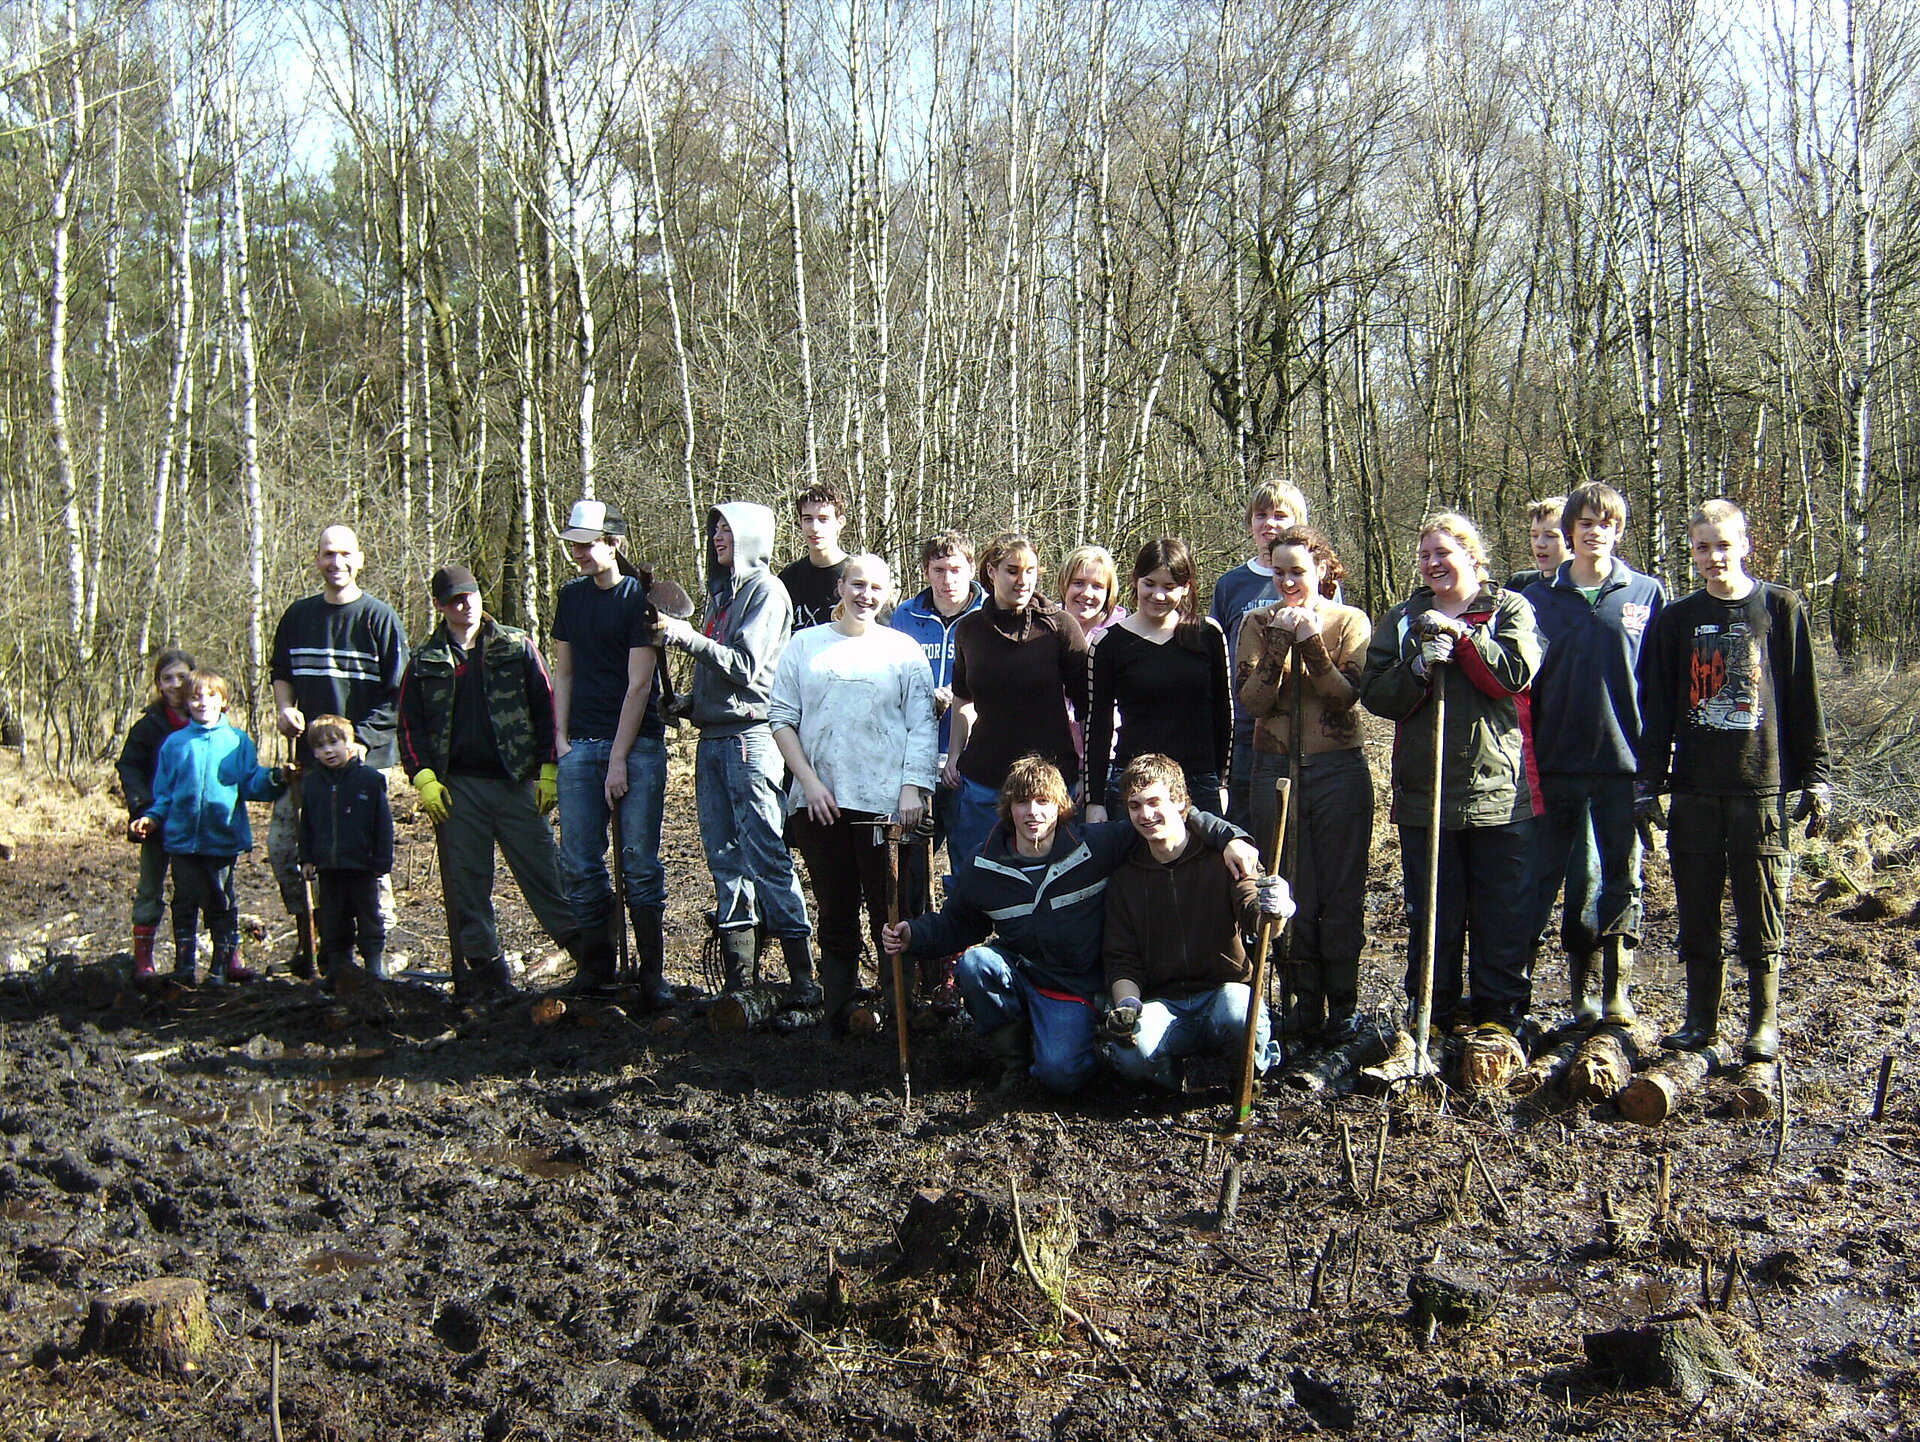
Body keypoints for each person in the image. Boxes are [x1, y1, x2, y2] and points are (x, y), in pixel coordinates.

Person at [881, 754, 1260, 1096]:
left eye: (1043, 801)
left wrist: (1230, 836)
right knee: (978, 964)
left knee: (1063, 1077)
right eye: (1022, 802)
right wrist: (914, 934)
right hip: (1023, 969)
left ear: (1061, 806)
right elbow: (958, 923)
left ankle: (1076, 1045)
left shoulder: (1096, 845)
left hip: (1073, 985)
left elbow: (1164, 820)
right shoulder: (984, 866)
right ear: (1007, 808)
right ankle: (1013, 1065)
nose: (1033, 813)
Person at [1636, 498, 1828, 1063]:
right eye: (1702, 547)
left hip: (1759, 786)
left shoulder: (1780, 608)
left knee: (1761, 904)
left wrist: (1817, 778)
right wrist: (1648, 784)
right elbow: (1657, 708)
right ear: (1691, 553)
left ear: (1745, 544)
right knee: (1696, 908)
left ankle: (1763, 1023)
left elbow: (1803, 698)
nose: (1714, 556)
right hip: (1694, 788)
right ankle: (1701, 1020)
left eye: (1724, 545)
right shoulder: (1675, 619)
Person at [1359, 513, 1544, 1047]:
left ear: (1472, 557)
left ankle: (1499, 1019)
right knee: (1433, 913)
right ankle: (1431, 1015)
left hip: (1497, 794)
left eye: (1445, 553)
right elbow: (1375, 694)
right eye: (1425, 556)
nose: (1434, 564)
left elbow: (1513, 675)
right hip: (1425, 792)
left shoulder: (1508, 608)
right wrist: (1416, 667)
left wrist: (1465, 640)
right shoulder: (1404, 617)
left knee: (1501, 914)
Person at [401, 565, 619, 1003]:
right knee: (466, 880)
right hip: (455, 788)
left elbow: (547, 706)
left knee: (546, 870)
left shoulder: (515, 646)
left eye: (471, 596)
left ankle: (591, 959)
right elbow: (410, 726)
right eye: (455, 599)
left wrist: (549, 768)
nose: (465, 605)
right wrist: (423, 777)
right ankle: (484, 972)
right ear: (440, 606)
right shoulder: (424, 660)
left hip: (515, 781)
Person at [658, 502, 819, 1003]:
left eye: (728, 528)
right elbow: (720, 676)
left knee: (767, 854)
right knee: (723, 859)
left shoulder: (767, 592)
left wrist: (684, 638)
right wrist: (687, 702)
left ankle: (803, 981)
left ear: (752, 536)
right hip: (712, 739)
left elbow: (748, 668)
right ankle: (741, 982)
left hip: (751, 741)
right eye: (715, 529)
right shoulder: (719, 597)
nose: (719, 537)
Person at [771, 554, 938, 1029]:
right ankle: (837, 1013)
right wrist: (808, 782)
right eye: (857, 584)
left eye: (876, 588)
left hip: (886, 809)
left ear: (889, 593)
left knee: (892, 910)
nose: (866, 595)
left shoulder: (903, 650)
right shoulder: (805, 646)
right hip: (820, 806)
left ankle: (897, 1009)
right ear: (841, 586)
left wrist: (912, 790)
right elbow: (781, 718)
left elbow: (921, 726)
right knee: (835, 907)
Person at [1522, 484, 1667, 1026]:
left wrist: (1657, 768)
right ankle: (1568, 992)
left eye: (1604, 522)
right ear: (1571, 532)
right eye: (1583, 522)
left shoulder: (1646, 594)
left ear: (1618, 530)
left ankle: (1616, 991)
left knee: (1622, 878)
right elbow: (1523, 687)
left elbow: (1658, 682)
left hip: (1622, 767)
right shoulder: (1538, 598)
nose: (1593, 531)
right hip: (1554, 763)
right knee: (1551, 880)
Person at [1234, 525, 1375, 1042]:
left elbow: (1343, 696)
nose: (1289, 581)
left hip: (1338, 771)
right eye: (1279, 572)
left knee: (1339, 891)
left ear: (1321, 571)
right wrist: (1278, 639)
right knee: (1287, 885)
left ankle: (1342, 1004)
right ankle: (1299, 1000)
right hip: (1273, 771)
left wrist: (1310, 640)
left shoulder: (1350, 621)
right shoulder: (1255, 622)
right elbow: (1252, 701)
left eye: (1299, 571)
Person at [1100, 755, 1293, 1089]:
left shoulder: (1225, 859)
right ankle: (1178, 1082)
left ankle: (1252, 1069)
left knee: (1237, 1014)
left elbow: (1258, 920)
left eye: (1154, 802)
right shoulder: (1124, 879)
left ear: (1179, 802)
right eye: (1135, 806)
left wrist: (1276, 908)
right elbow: (1121, 960)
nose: (1145, 815)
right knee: (1131, 1054)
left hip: (1224, 992)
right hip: (1165, 1003)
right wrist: (1128, 1006)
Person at [268, 525, 408, 977]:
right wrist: (285, 709)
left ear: (360, 559)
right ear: (317, 560)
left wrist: (363, 741)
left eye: (345, 554)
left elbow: (398, 693)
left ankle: (377, 951)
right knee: (288, 848)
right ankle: (317, 938)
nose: (336, 563)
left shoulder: (380, 618)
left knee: (367, 861)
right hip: (309, 765)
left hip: (365, 763)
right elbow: (281, 672)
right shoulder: (298, 617)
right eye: (328, 554)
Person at [549, 499, 668, 998]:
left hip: (636, 744)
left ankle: (651, 973)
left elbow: (639, 686)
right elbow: (565, 671)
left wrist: (617, 757)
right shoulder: (570, 598)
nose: (579, 551)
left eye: (588, 542)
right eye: (574, 543)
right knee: (579, 859)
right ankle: (597, 967)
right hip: (580, 743)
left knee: (639, 861)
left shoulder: (640, 600)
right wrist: (560, 739)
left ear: (613, 542)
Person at [944, 533, 1091, 874]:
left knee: (1053, 878)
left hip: (1051, 782)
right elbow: (963, 698)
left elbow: (1088, 706)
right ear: (991, 572)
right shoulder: (969, 630)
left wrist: (1086, 771)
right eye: (1012, 570)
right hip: (984, 779)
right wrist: (954, 755)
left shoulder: (1059, 627)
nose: (1022, 580)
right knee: (975, 875)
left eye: (1031, 571)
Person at [131, 670, 286, 986]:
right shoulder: (175, 744)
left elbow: (251, 781)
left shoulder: (237, 741)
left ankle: (220, 967)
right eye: (195, 697)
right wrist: (152, 818)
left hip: (222, 839)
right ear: (186, 703)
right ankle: (184, 966)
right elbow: (164, 794)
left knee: (221, 902)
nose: (203, 702)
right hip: (183, 841)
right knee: (184, 902)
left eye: (210, 695)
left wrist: (276, 778)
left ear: (224, 701)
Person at [1083, 539, 1231, 822]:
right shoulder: (1108, 643)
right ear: (1135, 581)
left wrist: (1223, 781)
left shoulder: (1207, 634)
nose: (1158, 595)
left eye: (1169, 587)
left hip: (1198, 781)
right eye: (1150, 584)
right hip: (1133, 782)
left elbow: (1224, 716)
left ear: (1186, 587)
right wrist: (1095, 800)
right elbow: (1097, 726)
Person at [1211, 480, 1310, 829]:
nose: (1270, 523)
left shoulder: (1315, 578)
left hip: (1301, 716)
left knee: (1298, 816)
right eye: (1261, 515)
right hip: (1246, 720)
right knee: (1247, 813)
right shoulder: (1231, 584)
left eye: (1280, 515)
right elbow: (1219, 656)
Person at [116, 648, 196, 982]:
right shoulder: (148, 726)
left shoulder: (207, 715)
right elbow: (128, 765)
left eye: (182, 676)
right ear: (158, 685)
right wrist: (143, 807)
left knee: (197, 889)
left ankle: (191, 961)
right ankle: (144, 960)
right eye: (167, 678)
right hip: (156, 819)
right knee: (150, 887)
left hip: (197, 822)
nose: (175, 684)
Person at [297, 714, 394, 988]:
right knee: (333, 921)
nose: (328, 750)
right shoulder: (313, 783)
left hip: (363, 866)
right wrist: (306, 858)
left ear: (349, 743)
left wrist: (382, 859)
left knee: (369, 917)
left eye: (334, 743)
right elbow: (307, 825)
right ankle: (340, 971)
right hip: (329, 867)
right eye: (320, 746)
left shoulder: (369, 779)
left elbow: (383, 824)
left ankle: (375, 967)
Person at [777, 482, 853, 630]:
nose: (814, 528)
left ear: (840, 522)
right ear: (800, 522)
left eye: (823, 519)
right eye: (808, 519)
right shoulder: (789, 578)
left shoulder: (859, 576)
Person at [1058, 545, 1127, 640]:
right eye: (1078, 583)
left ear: (1109, 592)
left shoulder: (1122, 634)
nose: (1087, 593)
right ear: (1064, 585)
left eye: (1097, 586)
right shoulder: (1046, 624)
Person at [1508, 495, 1571, 591]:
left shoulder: (1586, 587)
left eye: (1550, 536)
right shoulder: (1518, 583)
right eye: (1534, 536)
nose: (1539, 544)